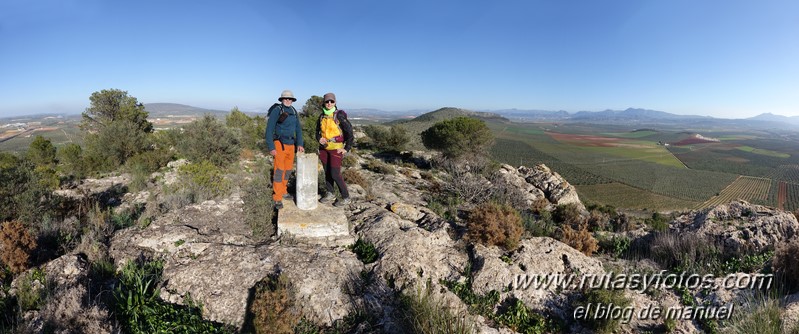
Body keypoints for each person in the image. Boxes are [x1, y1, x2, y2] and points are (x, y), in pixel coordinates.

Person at [265, 90, 304, 210]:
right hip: (279, 144)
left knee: (287, 170)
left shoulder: (293, 111)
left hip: (291, 144)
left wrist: (300, 143)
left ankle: (283, 191)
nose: (287, 100)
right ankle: (277, 198)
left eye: (290, 99)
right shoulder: (277, 110)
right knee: (279, 170)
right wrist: (271, 147)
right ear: (281, 100)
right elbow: (269, 129)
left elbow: (298, 129)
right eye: (285, 98)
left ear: (292, 100)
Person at [316, 92, 354, 207]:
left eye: (331, 101)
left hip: (336, 149)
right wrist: (319, 139)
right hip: (324, 149)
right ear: (324, 102)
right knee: (327, 172)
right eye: (327, 101)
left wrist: (346, 148)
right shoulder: (321, 116)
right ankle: (330, 193)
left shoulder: (339, 116)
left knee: (335, 173)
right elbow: (316, 132)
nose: (329, 103)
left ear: (335, 102)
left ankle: (346, 197)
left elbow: (350, 133)